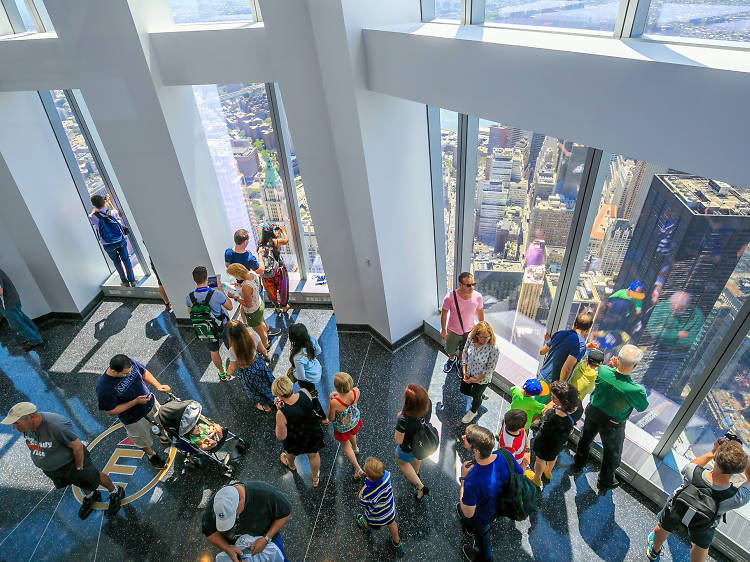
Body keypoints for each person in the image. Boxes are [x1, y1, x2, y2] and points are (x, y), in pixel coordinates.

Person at [1, 402, 125, 520]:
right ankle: (91, 495)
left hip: (71, 463)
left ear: (31, 416)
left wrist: (79, 467)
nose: (13, 427)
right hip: (54, 469)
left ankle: (115, 492)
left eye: (16, 423)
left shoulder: (56, 425)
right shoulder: (27, 427)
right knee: (77, 481)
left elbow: (77, 446)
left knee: (94, 477)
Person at [647, 438, 750, 562]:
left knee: (663, 527)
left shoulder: (692, 472)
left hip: (677, 509)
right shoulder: (736, 498)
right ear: (739, 470)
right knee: (701, 547)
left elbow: (691, 464)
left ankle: (654, 550)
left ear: (716, 459)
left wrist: (714, 451)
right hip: (704, 524)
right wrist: (740, 454)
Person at [572, 344, 649, 491]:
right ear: (636, 365)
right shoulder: (635, 390)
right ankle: (605, 481)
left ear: (617, 359)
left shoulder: (602, 371)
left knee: (585, 439)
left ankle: (578, 465)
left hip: (593, 412)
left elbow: (611, 375)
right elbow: (642, 406)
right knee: (611, 453)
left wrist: (614, 368)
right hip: (612, 424)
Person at [458, 424, 523, 561]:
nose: (463, 437)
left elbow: (468, 512)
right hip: (501, 504)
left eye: (467, 438)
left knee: (482, 537)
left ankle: (485, 558)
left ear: (475, 450)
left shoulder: (472, 480)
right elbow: (520, 473)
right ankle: (470, 529)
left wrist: (463, 479)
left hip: (483, 515)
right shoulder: (504, 454)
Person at [96, 354, 170, 469]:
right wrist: (135, 402)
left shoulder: (128, 363)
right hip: (134, 419)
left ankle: (163, 437)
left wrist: (158, 385)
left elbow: (143, 371)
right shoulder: (104, 388)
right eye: (125, 374)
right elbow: (110, 411)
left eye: (130, 371)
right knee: (142, 440)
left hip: (150, 403)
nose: (129, 374)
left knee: (162, 422)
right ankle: (152, 455)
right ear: (114, 371)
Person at [202, 482, 291, 562]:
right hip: (237, 548)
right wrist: (228, 549)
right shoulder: (216, 505)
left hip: (268, 537)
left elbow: (285, 514)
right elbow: (209, 532)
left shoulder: (266, 494)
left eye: (233, 516)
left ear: (241, 500)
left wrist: (266, 539)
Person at [642, 291, 704, 392]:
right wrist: (677, 334)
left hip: (679, 353)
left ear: (688, 306)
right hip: (659, 347)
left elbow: (692, 340)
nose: (674, 311)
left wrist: (665, 334)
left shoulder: (697, 316)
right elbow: (652, 329)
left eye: (679, 309)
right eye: (672, 306)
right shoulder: (662, 307)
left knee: (667, 380)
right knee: (649, 375)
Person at [525, 381, 582, 487]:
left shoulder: (551, 415)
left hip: (544, 443)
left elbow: (543, 427)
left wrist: (545, 414)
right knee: (553, 457)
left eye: (554, 398)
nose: (551, 399)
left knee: (540, 460)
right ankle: (548, 472)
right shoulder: (577, 408)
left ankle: (537, 478)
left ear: (564, 402)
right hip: (559, 443)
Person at [271, 377, 325, 488]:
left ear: (279, 395)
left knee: (290, 454)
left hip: (294, 438)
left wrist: (279, 410)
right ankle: (315, 478)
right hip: (311, 432)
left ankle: (291, 465)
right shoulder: (304, 392)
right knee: (314, 455)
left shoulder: (282, 413)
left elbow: (281, 436)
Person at [186, 265, 233, 381]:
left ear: (194, 280)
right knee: (232, 348)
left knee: (214, 351)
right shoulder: (216, 294)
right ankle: (238, 367)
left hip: (206, 329)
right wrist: (221, 290)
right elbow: (230, 307)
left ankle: (221, 373)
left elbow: (190, 313)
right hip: (223, 327)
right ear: (207, 278)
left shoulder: (189, 297)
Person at [537, 312, 596, 401]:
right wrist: (561, 387)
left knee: (534, 403)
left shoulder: (559, 333)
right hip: (553, 382)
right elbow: (567, 368)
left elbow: (542, 351)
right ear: (588, 330)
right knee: (541, 409)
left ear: (574, 323)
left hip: (542, 374)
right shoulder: (580, 345)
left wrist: (552, 342)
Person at [356, 456, 405, 557]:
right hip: (389, 511)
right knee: (392, 524)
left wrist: (364, 488)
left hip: (376, 517)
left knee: (367, 520)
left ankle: (366, 527)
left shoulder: (369, 492)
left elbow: (362, 500)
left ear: (368, 477)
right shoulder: (387, 475)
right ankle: (397, 542)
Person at [226, 320, 275, 412]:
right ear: (243, 328)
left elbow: (232, 366)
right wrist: (267, 357)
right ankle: (276, 397)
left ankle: (265, 406)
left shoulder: (232, 349)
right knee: (267, 381)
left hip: (247, 373)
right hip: (258, 365)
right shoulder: (253, 336)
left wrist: (228, 374)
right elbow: (263, 350)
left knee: (254, 389)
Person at [394, 383, 432, 500]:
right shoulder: (428, 404)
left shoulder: (403, 419)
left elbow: (399, 440)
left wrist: (399, 418)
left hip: (409, 447)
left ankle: (420, 487)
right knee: (417, 456)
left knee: (401, 461)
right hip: (422, 443)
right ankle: (416, 472)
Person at [441, 272, 484, 373]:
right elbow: (444, 314)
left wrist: (482, 329)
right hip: (452, 331)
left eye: (473, 284)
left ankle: (460, 362)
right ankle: (452, 359)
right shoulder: (450, 297)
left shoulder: (478, 297)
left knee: (463, 351)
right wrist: (443, 330)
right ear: (460, 285)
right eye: (468, 285)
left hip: (469, 331)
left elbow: (480, 313)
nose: (472, 287)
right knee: (450, 350)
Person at [89, 194, 135, 287]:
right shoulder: (112, 212)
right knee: (126, 260)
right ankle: (132, 281)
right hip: (120, 240)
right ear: (104, 202)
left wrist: (95, 208)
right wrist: (109, 202)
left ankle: (124, 282)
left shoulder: (93, 216)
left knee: (117, 262)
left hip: (107, 244)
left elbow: (91, 215)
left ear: (94, 205)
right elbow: (116, 215)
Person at [460, 321, 500, 424]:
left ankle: (473, 411)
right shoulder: (470, 338)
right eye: (483, 337)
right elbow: (464, 354)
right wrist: (464, 372)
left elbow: (490, 369)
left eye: (488, 336)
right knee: (463, 390)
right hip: (468, 373)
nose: (486, 340)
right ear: (476, 335)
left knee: (476, 395)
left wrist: (476, 380)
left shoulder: (493, 348)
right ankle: (480, 395)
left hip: (482, 379)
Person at [226, 262, 273, 349]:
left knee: (259, 331)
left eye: (234, 275)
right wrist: (239, 285)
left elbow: (248, 304)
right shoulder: (252, 273)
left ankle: (266, 345)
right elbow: (253, 288)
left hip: (253, 311)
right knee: (261, 323)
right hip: (259, 303)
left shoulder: (246, 287)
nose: (235, 277)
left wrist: (234, 297)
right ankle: (266, 333)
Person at [328, 372, 364, 478]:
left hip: (342, 427)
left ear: (336, 387)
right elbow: (349, 399)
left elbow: (331, 418)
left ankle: (358, 469)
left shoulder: (335, 402)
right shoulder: (356, 391)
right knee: (353, 434)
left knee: (345, 445)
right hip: (354, 420)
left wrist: (332, 399)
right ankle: (356, 448)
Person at [288, 323, 327, 422]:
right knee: (312, 392)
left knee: (312, 396)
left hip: (308, 378)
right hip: (316, 369)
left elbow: (301, 376)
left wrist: (294, 373)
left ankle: (323, 417)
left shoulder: (297, 357)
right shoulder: (311, 339)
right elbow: (318, 351)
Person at [0, 268, 43, 352]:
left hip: (8, 304)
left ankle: (35, 340)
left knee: (16, 325)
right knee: (22, 319)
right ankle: (35, 336)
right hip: (12, 300)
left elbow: (0, 292)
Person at [258, 223, 291, 315]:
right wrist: (283, 231)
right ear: (272, 232)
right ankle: (284, 306)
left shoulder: (260, 243)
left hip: (266, 273)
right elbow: (286, 240)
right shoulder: (276, 242)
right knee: (283, 288)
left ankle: (277, 306)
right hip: (278, 271)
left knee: (271, 291)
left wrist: (275, 234)